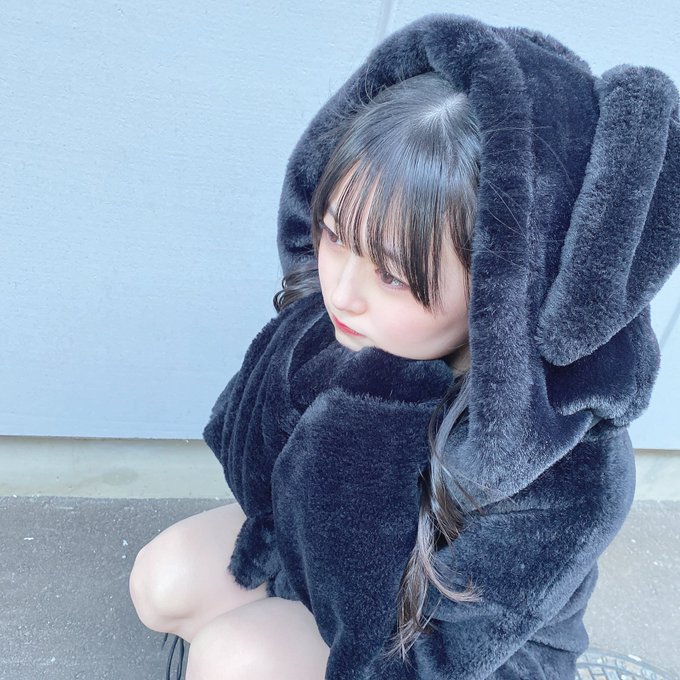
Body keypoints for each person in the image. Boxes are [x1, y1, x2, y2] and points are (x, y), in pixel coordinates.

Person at [128, 13, 680, 680]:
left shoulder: (568, 472)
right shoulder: (342, 329)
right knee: (163, 583)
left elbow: (437, 659)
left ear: (504, 285)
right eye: (335, 235)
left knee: (235, 660)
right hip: (331, 574)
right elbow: (264, 483)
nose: (342, 292)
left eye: (392, 275)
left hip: (450, 656)